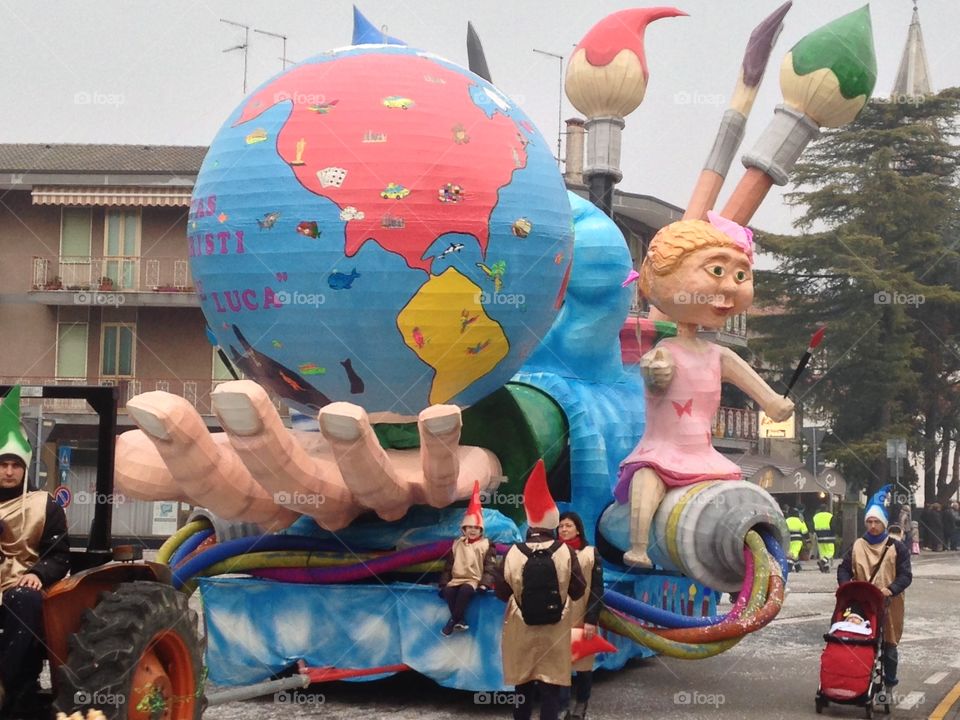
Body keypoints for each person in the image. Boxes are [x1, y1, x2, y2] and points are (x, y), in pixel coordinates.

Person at [614, 212, 794, 567]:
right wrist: (656, 372)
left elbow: (766, 397)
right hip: (663, 449)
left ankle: (742, 554)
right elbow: (655, 375)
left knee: (735, 495)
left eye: (740, 275)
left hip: (706, 454)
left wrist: (775, 404)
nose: (729, 287)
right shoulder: (664, 352)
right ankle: (637, 545)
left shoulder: (720, 355)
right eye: (716, 271)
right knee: (647, 480)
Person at [497, 461, 585, 720]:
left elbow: (501, 590)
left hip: (520, 626)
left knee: (522, 687)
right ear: (554, 522)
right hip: (555, 627)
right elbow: (578, 589)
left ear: (530, 522)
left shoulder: (513, 551)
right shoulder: (566, 551)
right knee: (550, 688)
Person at [0, 386, 70, 714]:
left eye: (15, 465)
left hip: (21, 582)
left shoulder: (45, 505)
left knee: (23, 599)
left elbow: (59, 555)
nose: (9, 471)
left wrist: (37, 574)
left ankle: (14, 688)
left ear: (25, 467)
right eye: (3, 464)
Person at [837, 485, 912, 694]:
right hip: (862, 601)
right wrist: (846, 587)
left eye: (876, 522)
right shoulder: (857, 545)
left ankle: (889, 684)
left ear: (884, 524)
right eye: (869, 521)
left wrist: (891, 589)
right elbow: (843, 568)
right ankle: (853, 677)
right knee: (855, 638)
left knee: (889, 645)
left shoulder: (897, 548)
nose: (872, 526)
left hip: (889, 602)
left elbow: (906, 575)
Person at [557, 512, 604, 720]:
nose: (564, 529)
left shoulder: (591, 553)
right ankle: (562, 706)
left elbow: (597, 589)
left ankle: (582, 703)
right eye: (561, 526)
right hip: (557, 616)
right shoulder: (552, 552)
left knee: (583, 662)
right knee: (560, 663)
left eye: (568, 525)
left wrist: (591, 619)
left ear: (578, 529)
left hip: (582, 614)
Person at [438, 481, 496, 636]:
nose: (472, 530)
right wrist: (444, 583)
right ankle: (460, 620)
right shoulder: (457, 544)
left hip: (472, 579)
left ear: (481, 530)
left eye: (476, 528)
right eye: (469, 527)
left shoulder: (486, 545)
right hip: (456, 579)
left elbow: (490, 567)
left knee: (465, 591)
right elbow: (449, 566)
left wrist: (485, 584)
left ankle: (452, 622)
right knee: (450, 591)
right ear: (464, 529)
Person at [812, 502, 836, 573]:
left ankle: (825, 568)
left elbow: (813, 527)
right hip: (829, 536)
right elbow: (833, 526)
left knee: (822, 553)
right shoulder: (830, 516)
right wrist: (834, 534)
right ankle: (822, 562)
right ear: (826, 509)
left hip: (819, 537)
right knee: (830, 552)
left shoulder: (815, 516)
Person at [785, 507, 809, 572]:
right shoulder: (800, 521)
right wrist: (808, 540)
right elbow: (805, 532)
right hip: (797, 539)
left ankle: (798, 567)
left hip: (788, 539)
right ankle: (789, 566)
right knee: (794, 552)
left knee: (791, 552)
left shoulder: (786, 520)